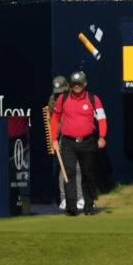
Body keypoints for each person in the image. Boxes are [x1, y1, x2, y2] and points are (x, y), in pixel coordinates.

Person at [50, 71, 107, 216]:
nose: (76, 86)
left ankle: (88, 206)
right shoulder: (62, 99)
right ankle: (71, 207)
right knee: (68, 172)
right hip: (68, 142)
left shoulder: (94, 99)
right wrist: (54, 139)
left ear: (85, 84)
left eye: (79, 84)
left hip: (87, 141)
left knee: (88, 173)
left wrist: (102, 136)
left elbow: (101, 119)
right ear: (70, 85)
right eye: (74, 84)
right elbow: (55, 119)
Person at [48, 75, 84, 211]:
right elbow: (54, 121)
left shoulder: (75, 97)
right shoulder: (53, 100)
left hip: (78, 135)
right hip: (63, 137)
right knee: (64, 169)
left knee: (79, 168)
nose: (59, 95)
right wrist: (54, 139)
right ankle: (64, 199)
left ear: (67, 87)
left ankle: (80, 198)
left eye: (62, 91)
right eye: (57, 92)